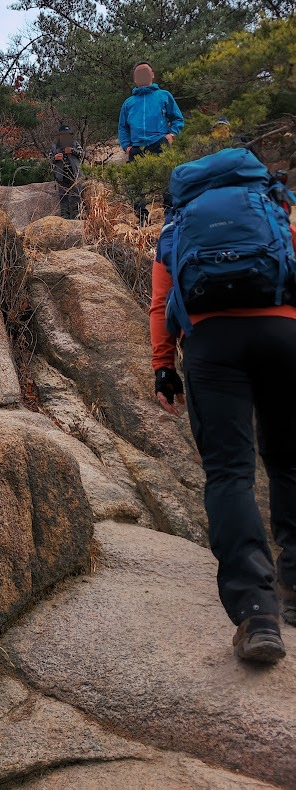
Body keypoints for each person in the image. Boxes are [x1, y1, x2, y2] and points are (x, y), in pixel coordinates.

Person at [151, 148, 296, 664]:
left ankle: (257, 614)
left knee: (230, 473)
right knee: (289, 462)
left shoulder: (178, 225)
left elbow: (160, 300)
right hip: (284, 335)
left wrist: (163, 366)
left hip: (212, 346)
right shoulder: (273, 207)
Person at [119, 61, 184, 224]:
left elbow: (177, 119)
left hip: (159, 143)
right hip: (136, 147)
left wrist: (172, 135)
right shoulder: (128, 103)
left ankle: (171, 217)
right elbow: (122, 126)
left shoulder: (164, 96)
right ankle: (142, 219)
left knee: (167, 180)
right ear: (135, 79)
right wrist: (126, 146)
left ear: (152, 75)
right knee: (135, 185)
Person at [49, 125, 84, 219]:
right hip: (61, 176)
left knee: (76, 195)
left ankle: (77, 215)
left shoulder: (75, 144)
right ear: (60, 136)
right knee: (63, 196)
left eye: (67, 135)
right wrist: (55, 158)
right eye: (63, 135)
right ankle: (65, 216)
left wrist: (72, 151)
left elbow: (82, 154)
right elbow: (50, 160)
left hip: (75, 174)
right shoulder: (54, 147)